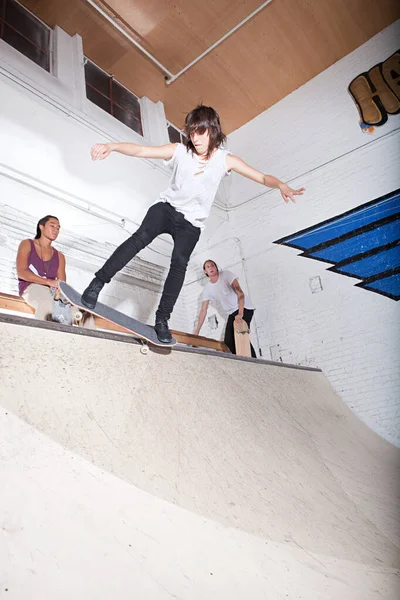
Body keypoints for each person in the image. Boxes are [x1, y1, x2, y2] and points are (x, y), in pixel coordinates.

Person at [81, 105, 305, 343]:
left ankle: (162, 319)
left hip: (191, 224)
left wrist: (280, 184)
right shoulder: (179, 150)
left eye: (201, 133)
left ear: (213, 131)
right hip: (166, 209)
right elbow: (141, 150)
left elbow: (260, 176)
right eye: (192, 133)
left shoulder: (225, 160)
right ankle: (96, 284)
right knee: (139, 238)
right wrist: (111, 146)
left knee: (179, 264)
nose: (195, 138)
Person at [16, 215, 94, 328]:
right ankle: (43, 340)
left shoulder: (60, 256)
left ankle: (90, 344)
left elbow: (61, 284)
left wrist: (71, 300)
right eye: (52, 226)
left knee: (84, 314)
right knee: (48, 304)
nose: (56, 230)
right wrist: (48, 282)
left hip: (53, 293)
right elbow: (22, 272)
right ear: (41, 227)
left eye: (58, 228)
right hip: (32, 288)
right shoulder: (27, 244)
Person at [194, 260, 257, 357]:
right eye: (208, 267)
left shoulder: (226, 275)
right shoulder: (207, 289)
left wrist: (240, 313)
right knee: (228, 341)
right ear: (205, 272)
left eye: (212, 265)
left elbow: (240, 293)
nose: (211, 268)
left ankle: (254, 362)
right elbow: (203, 310)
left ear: (216, 268)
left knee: (240, 335)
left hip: (244, 308)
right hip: (232, 313)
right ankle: (243, 361)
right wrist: (197, 331)